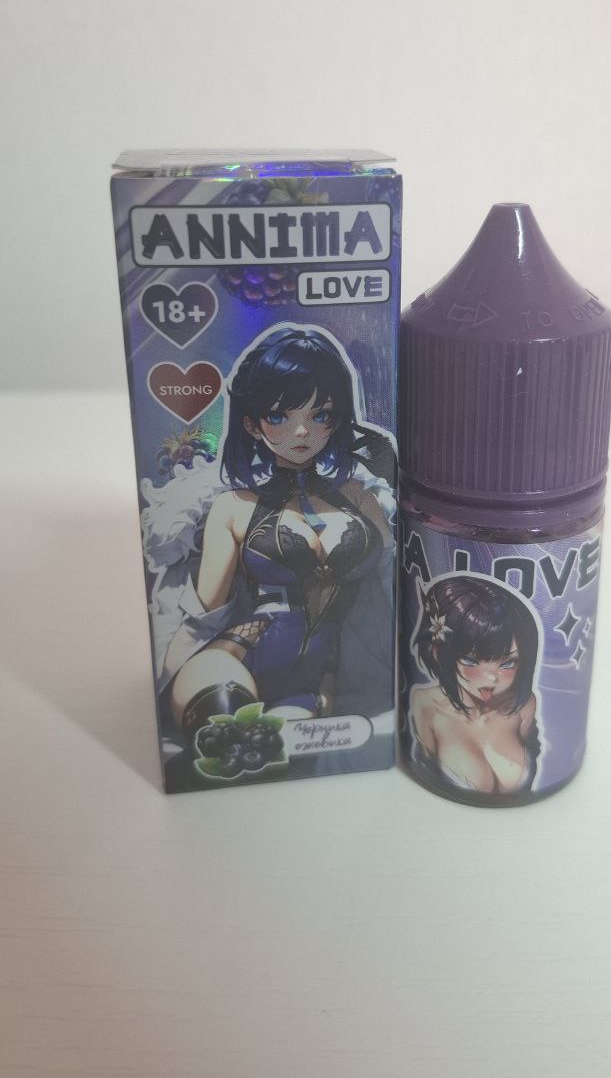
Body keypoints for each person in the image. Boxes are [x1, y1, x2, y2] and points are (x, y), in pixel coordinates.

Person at [145, 326, 396, 755]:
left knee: (282, 748)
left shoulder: (359, 496)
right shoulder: (233, 506)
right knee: (226, 729)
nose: (301, 432)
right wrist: (168, 677)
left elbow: (390, 579)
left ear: (338, 419)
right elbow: (206, 615)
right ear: (251, 422)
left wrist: (386, 463)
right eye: (279, 416)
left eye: (320, 415)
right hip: (234, 658)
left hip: (314, 679)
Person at [409, 575, 541, 795]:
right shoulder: (426, 705)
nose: (491, 679)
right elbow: (423, 767)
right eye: (471, 661)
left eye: (508, 663)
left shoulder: (524, 704)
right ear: (440, 652)